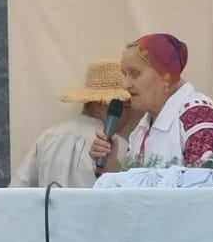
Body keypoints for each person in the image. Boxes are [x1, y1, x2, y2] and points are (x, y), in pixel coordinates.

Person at [94, 34, 213, 171]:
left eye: (135, 73)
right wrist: (111, 166)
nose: (126, 84)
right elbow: (137, 186)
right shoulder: (142, 128)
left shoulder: (199, 115)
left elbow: (209, 183)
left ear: (166, 76)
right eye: (124, 74)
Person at [12, 58, 129, 188]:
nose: (128, 114)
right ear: (105, 103)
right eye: (125, 105)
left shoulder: (48, 137)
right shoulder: (118, 148)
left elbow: (17, 187)